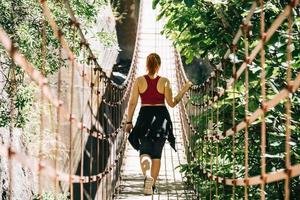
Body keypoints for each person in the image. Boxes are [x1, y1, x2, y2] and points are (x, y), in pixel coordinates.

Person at [125, 53, 192, 195]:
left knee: (144, 151)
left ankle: (147, 176)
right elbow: (172, 103)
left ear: (146, 64)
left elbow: (132, 103)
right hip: (162, 119)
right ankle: (152, 185)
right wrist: (184, 90)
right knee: (156, 154)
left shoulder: (138, 81)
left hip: (144, 117)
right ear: (159, 65)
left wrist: (129, 121)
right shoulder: (165, 81)